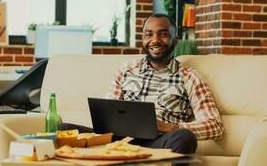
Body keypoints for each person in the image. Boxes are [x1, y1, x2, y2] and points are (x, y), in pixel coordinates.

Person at [60, 13, 223, 155]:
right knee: (62, 129)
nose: (155, 40)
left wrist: (173, 128)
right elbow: (108, 112)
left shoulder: (189, 77)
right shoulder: (126, 70)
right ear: (143, 39)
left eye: (163, 34)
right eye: (149, 34)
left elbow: (215, 126)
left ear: (175, 40)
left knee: (185, 138)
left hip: (159, 143)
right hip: (119, 140)